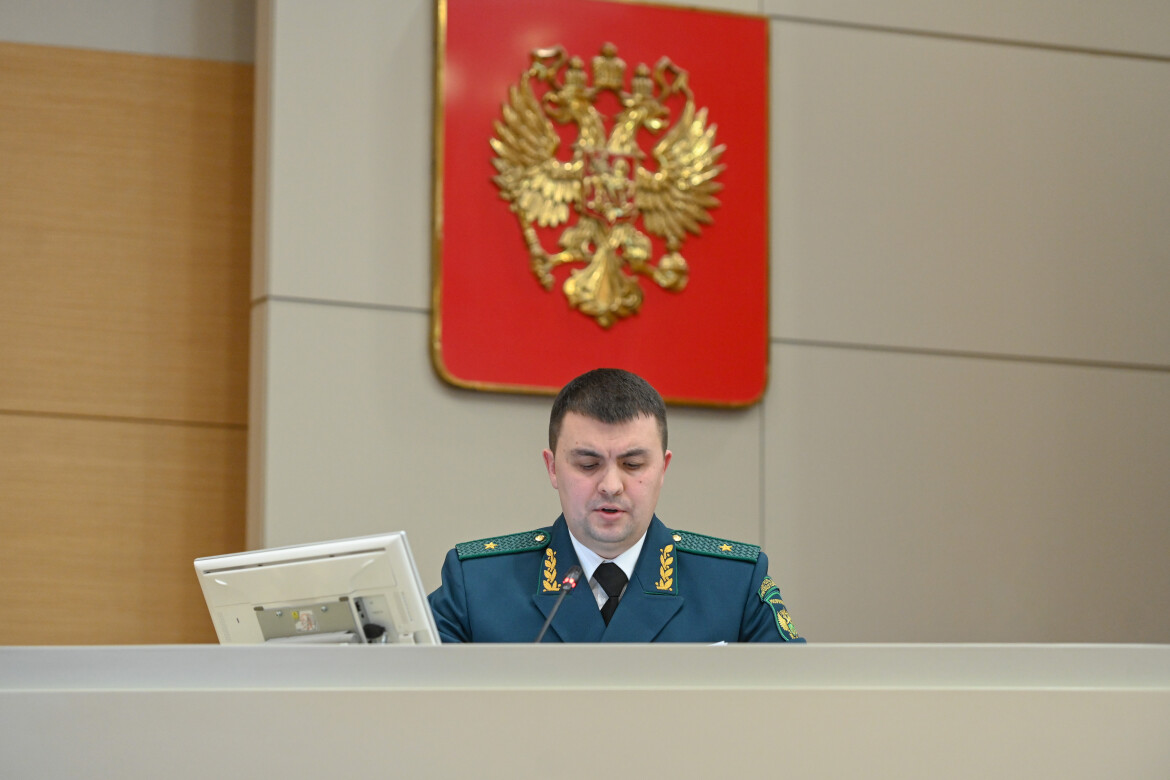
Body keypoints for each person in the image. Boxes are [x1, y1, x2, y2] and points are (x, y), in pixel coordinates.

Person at [427, 368, 804, 643]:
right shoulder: (475, 585)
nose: (610, 485)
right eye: (588, 464)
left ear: (663, 469)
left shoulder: (734, 585)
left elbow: (797, 706)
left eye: (633, 464)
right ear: (552, 468)